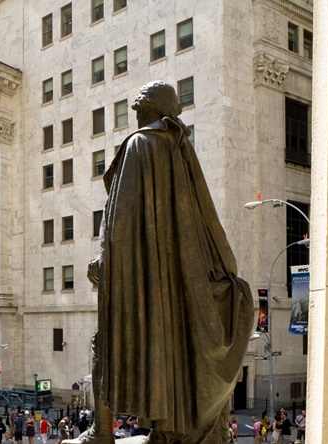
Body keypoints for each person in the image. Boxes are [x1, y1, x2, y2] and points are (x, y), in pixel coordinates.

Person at [82, 80, 254, 444]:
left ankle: (102, 431)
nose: (136, 112)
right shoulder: (181, 149)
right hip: (183, 282)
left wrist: (106, 262)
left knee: (104, 345)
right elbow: (205, 218)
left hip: (145, 278)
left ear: (151, 109)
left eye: (140, 105)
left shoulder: (140, 144)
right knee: (170, 350)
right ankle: (166, 430)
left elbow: (120, 219)